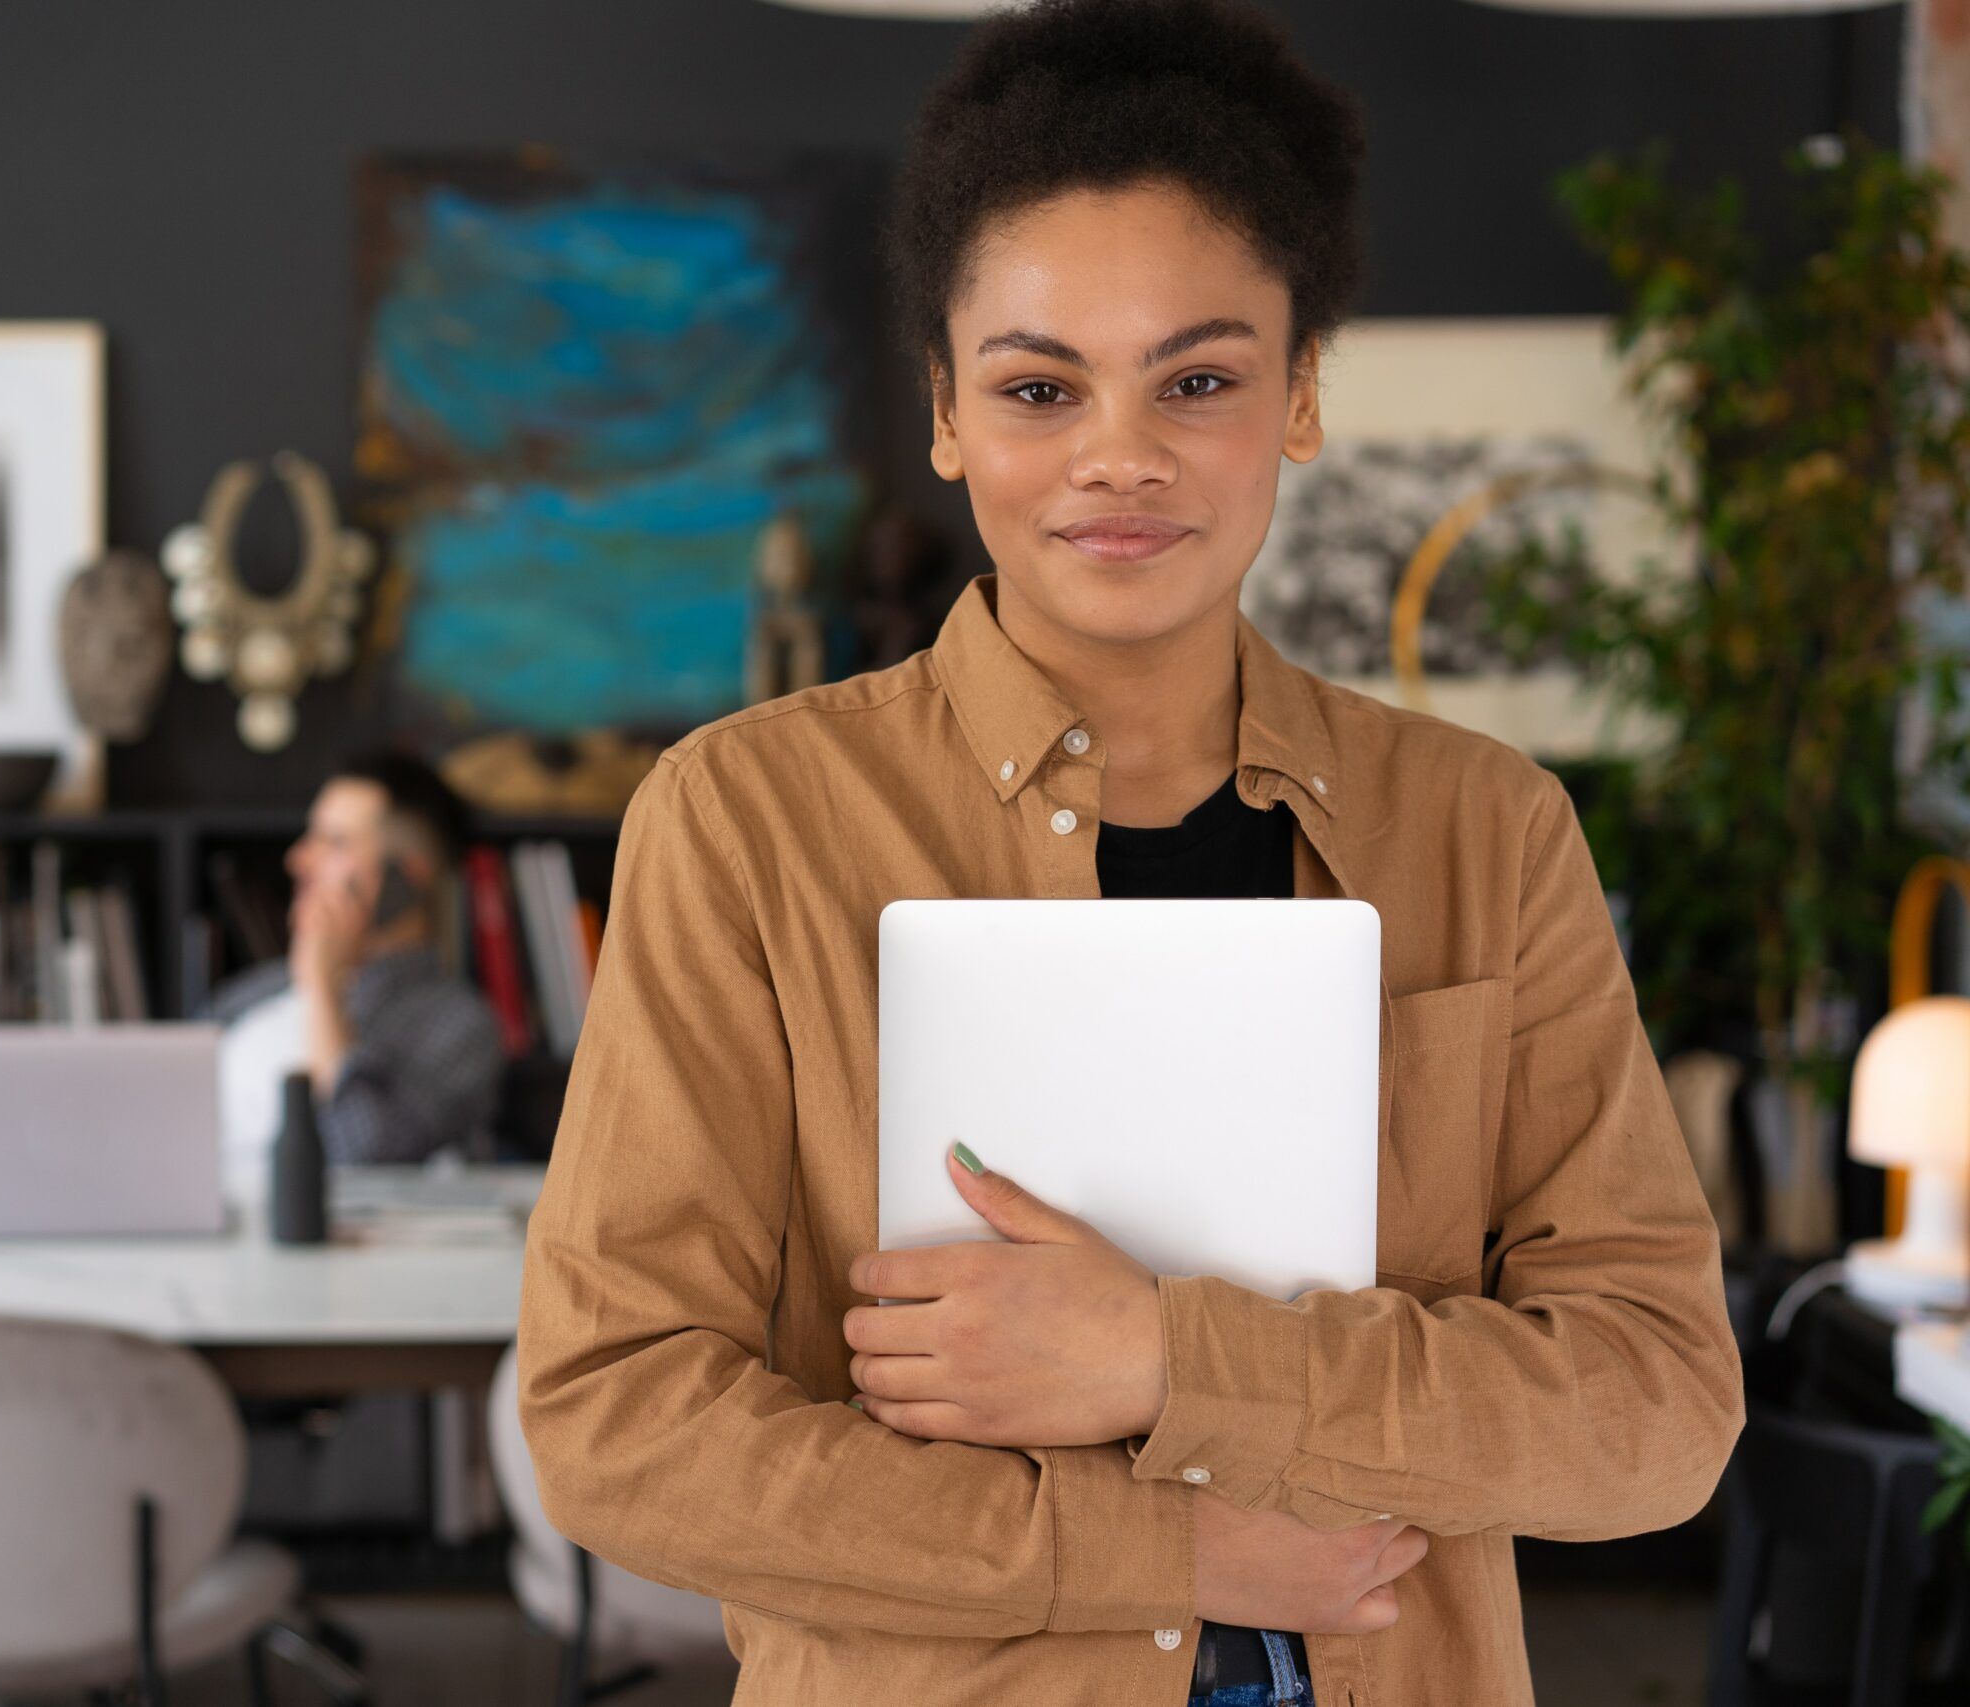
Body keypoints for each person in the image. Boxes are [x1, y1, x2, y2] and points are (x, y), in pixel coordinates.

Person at [515, 4, 1744, 1705]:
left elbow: (1659, 1410)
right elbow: (619, 1422)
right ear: (945, 410)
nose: (1121, 455)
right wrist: (1153, 1552)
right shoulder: (746, 822)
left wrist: (1168, 1354)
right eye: (1039, 385)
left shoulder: (1484, 829)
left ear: (1301, 395)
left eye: (1202, 379)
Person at [211, 749, 504, 1175]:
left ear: (407, 877)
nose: (299, 860)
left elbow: (359, 1154)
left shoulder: (459, 1024)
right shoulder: (255, 992)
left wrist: (322, 987)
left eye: (334, 843)